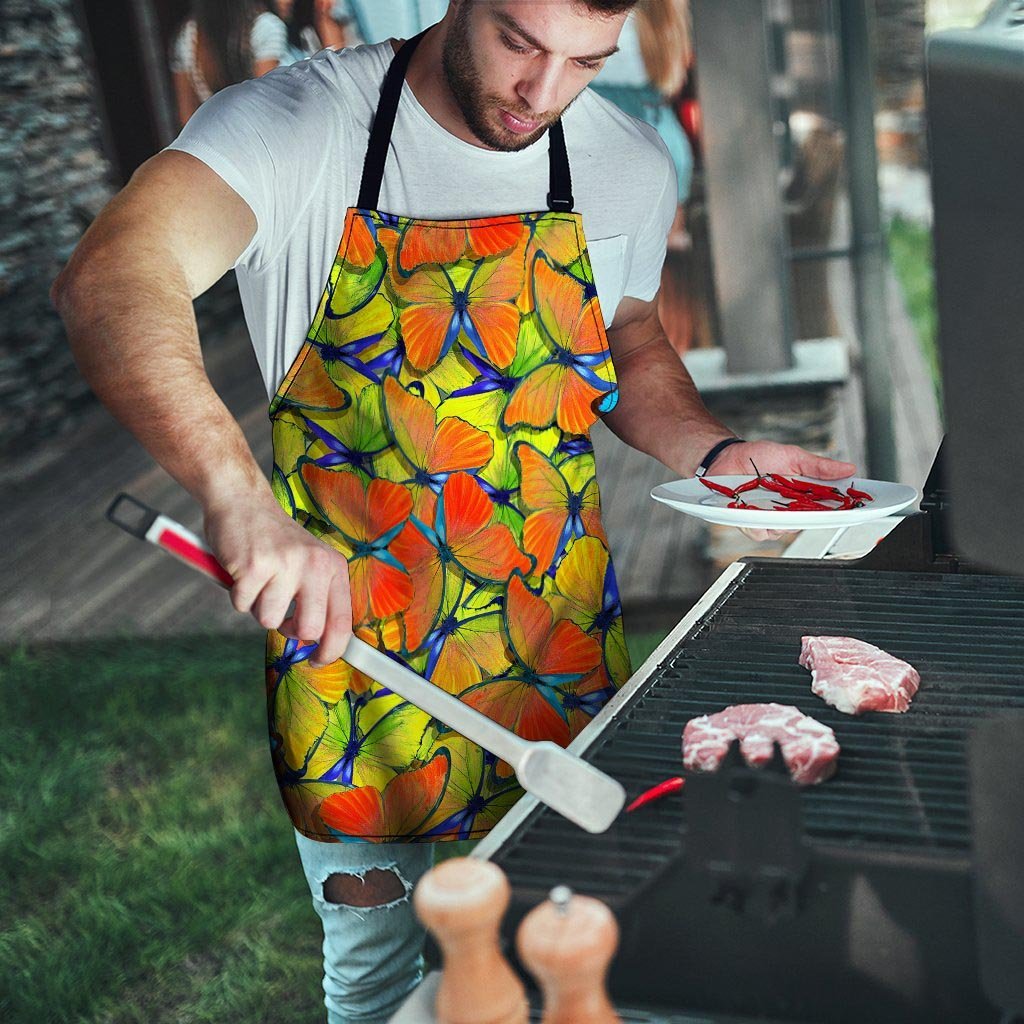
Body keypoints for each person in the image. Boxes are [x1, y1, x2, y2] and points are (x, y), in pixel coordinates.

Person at [52, 2, 856, 1020]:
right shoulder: (298, 125)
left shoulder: (624, 160)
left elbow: (628, 333)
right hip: (354, 658)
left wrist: (717, 449)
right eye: (521, 42)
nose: (543, 93)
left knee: (572, 951)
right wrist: (237, 497)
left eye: (585, 62)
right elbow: (112, 275)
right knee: (381, 979)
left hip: (552, 642)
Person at [170, 0, 289, 126]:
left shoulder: (187, 36)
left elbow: (186, 118)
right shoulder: (265, 27)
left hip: (215, 138)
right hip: (264, 136)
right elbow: (266, 105)